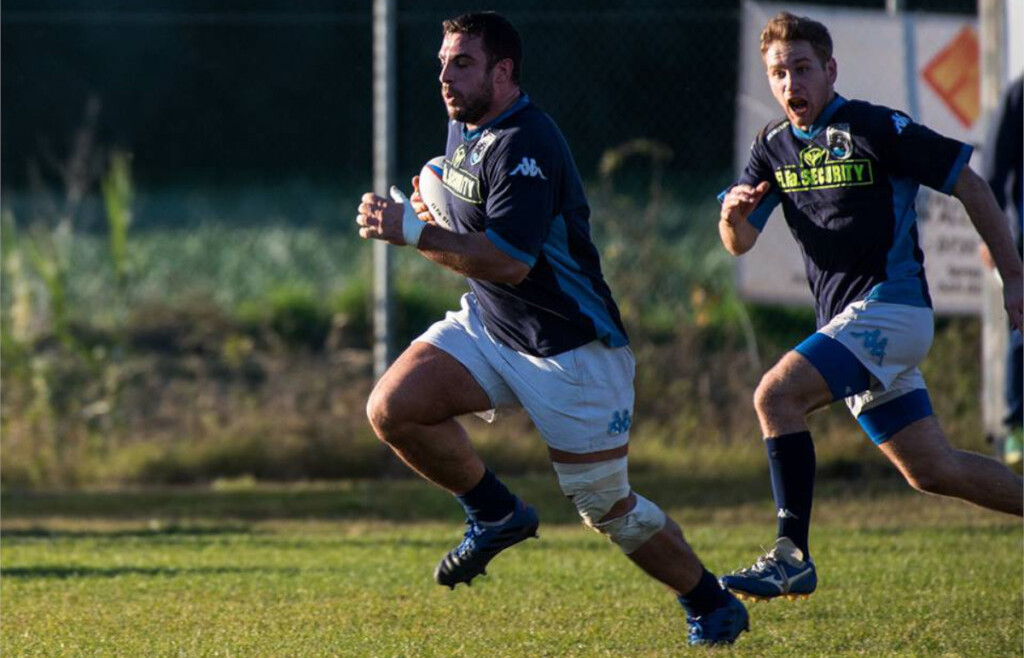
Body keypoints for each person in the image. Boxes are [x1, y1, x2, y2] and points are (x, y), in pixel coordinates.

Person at [355, 11, 747, 646]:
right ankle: (495, 511)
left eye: (463, 63)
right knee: (394, 408)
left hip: (573, 353)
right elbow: (465, 211)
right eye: (442, 63)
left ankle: (710, 600)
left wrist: (412, 231)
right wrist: (430, 207)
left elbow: (510, 261)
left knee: (608, 511)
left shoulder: (526, 141)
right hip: (492, 326)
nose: (446, 78)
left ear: (503, 72)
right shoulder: (466, 122)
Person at [716, 12, 1024, 603]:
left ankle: (790, 556)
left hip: (893, 309)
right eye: (778, 73)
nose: (790, 84)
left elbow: (972, 184)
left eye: (801, 68)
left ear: (830, 70)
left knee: (775, 396)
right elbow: (741, 241)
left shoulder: (874, 126)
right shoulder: (772, 146)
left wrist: (1013, 277)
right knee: (933, 471)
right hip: (851, 326)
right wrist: (730, 218)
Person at [981, 76, 1023, 471]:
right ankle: (1017, 429)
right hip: (1022, 240)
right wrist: (992, 237)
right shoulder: (1019, 94)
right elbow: (992, 171)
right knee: (1021, 333)